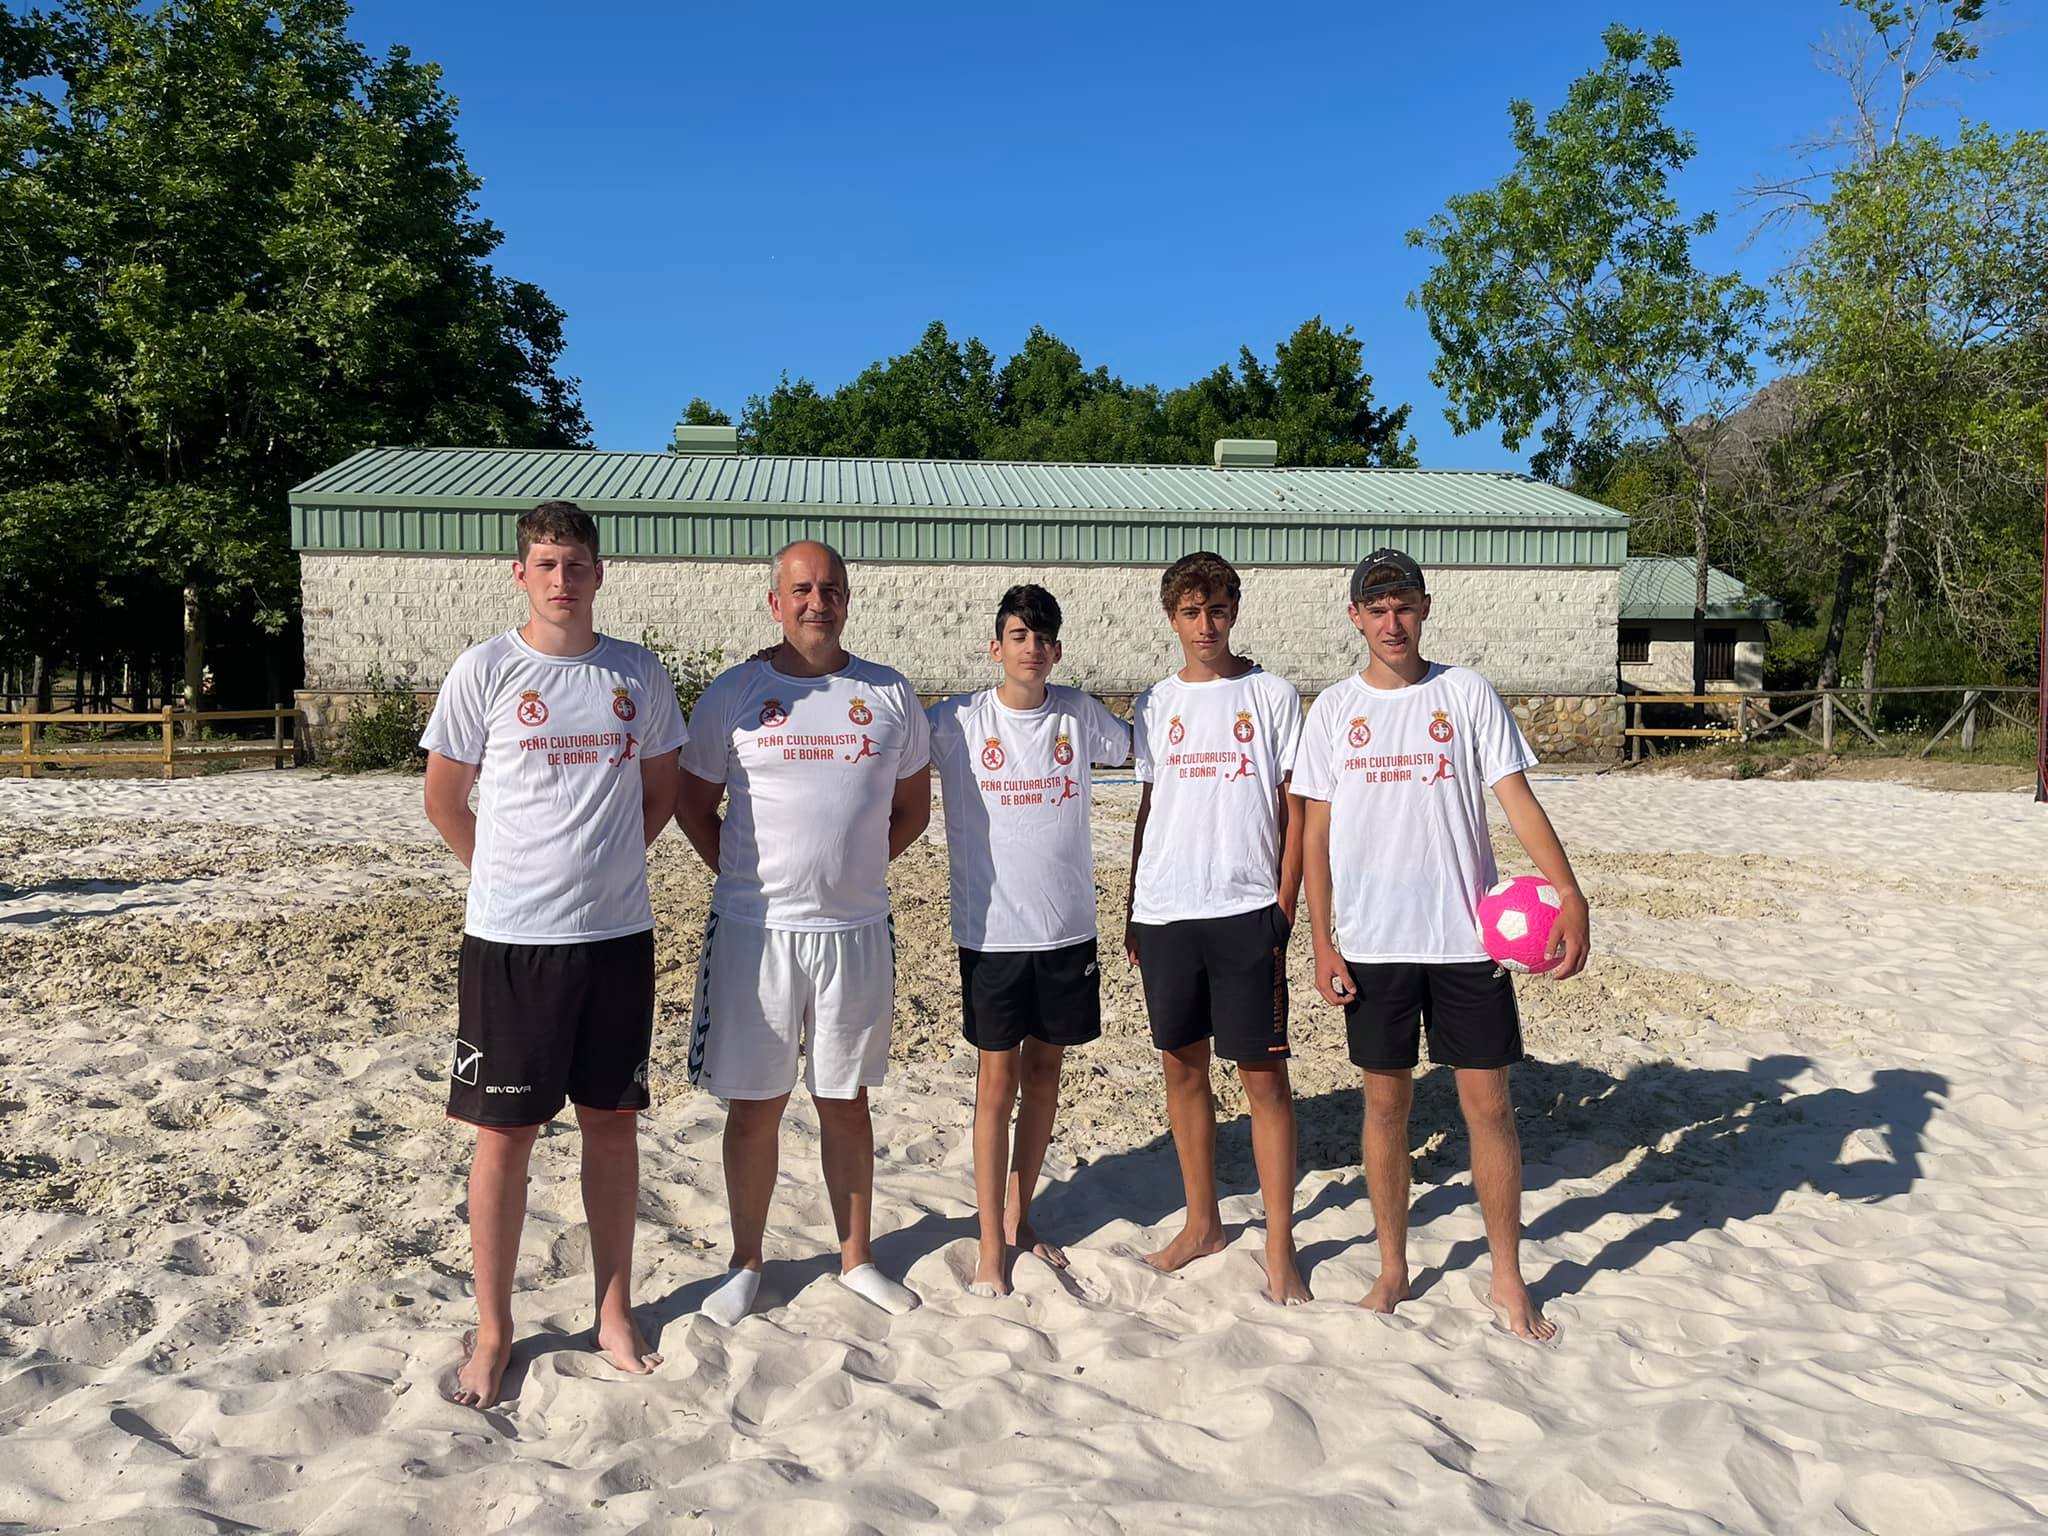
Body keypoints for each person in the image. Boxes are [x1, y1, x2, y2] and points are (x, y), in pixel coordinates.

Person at [420, 499, 685, 1408]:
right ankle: (494, 1331)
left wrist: (599, 872)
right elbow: (446, 800)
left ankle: (613, 1310)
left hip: (615, 938)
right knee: (505, 1137)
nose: (562, 579)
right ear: (520, 574)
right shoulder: (486, 669)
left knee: (612, 1126)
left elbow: (658, 796)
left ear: (599, 573)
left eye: (576, 564)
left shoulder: (637, 673)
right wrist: (509, 878)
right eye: (546, 564)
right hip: (511, 943)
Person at [1291, 548, 1590, 1342]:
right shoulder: (1332, 712)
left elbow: (1516, 800)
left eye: (1405, 606)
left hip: (1468, 939)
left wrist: (1569, 892)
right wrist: (1322, 941)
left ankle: (1506, 1276)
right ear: (1354, 616)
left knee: (1488, 1107)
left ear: (1425, 608)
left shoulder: (1465, 694)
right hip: (1373, 941)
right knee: (1385, 1107)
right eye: (1376, 608)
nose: (1392, 622)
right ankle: (1393, 1268)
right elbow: (1314, 835)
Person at [674, 540, 931, 1325]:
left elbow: (913, 812)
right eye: (801, 589)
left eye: (830, 588)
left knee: (844, 1098)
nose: (817, 601)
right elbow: (692, 805)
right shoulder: (735, 693)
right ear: (775, 602)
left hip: (855, 930)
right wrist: (750, 881)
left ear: (847, 598)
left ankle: (856, 1258)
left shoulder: (887, 694)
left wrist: (849, 873)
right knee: (756, 1105)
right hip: (758, 932)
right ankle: (746, 1262)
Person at [927, 584, 1133, 1296]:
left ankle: (1021, 1215)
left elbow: (1154, 743)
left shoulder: (1079, 714)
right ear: (997, 647)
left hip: (1067, 929)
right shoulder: (955, 722)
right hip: (991, 933)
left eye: (1044, 637)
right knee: (995, 1085)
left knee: (1045, 1076)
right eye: (1020, 635)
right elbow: (877, 755)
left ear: (1058, 649)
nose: (1033, 648)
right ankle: (989, 1240)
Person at [1123, 551, 1309, 1305]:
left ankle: (1281, 1244)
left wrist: (1285, 904)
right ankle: (1203, 1222)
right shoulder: (1154, 702)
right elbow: (1148, 807)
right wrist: (1133, 902)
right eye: (1192, 613)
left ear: (1235, 612)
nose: (1206, 626)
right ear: (1173, 619)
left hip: (1245, 907)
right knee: (1182, 1069)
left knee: (1264, 1078)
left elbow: (1298, 807)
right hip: (1167, 909)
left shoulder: (1271, 695)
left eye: (1218, 610)